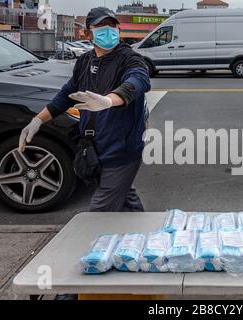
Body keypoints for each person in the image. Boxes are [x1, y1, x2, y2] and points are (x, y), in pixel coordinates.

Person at [18, 7, 151, 213]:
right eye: (100, 26)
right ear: (87, 33)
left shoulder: (129, 58)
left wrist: (109, 101)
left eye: (112, 25)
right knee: (126, 201)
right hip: (94, 148)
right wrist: (37, 120)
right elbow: (66, 95)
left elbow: (138, 80)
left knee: (99, 213)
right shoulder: (84, 61)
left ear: (118, 29)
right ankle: (145, 234)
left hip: (121, 151)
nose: (108, 30)